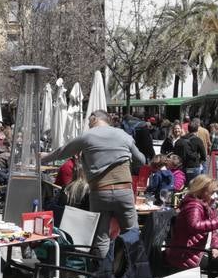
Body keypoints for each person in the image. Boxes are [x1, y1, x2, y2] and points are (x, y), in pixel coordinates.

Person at [45, 109, 148, 258]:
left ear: (94, 119)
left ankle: (103, 273)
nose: (88, 124)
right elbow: (142, 160)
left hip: (100, 192)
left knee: (101, 238)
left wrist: (41, 159)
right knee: (131, 233)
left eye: (89, 121)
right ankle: (132, 270)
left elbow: (62, 152)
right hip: (124, 191)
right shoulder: (123, 135)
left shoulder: (87, 136)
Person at [163, 174, 218, 272]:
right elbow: (194, 226)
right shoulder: (194, 206)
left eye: (217, 192)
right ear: (201, 191)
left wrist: (216, 247)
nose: (215, 196)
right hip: (188, 255)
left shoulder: (206, 206)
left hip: (200, 251)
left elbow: (212, 231)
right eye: (213, 192)